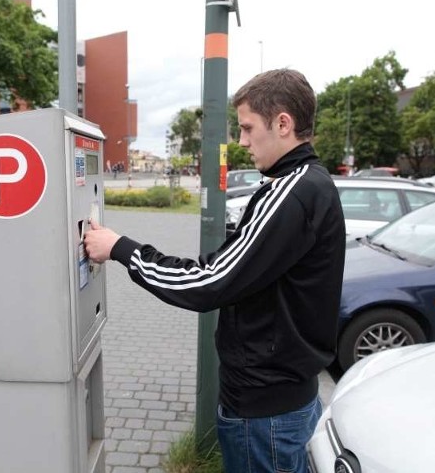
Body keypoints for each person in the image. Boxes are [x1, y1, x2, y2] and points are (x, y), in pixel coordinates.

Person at [84, 68, 345, 472]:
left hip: (265, 412)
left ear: (282, 123)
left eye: (246, 127)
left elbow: (210, 282)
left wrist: (121, 248)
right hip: (286, 399)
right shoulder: (311, 183)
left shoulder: (292, 192)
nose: (240, 141)